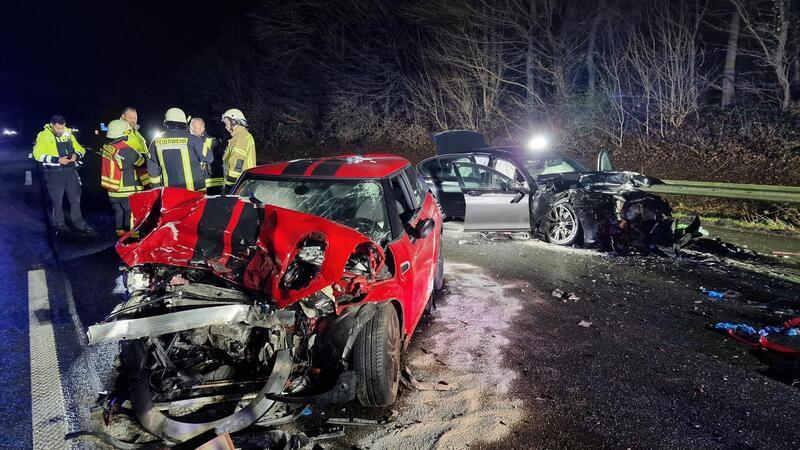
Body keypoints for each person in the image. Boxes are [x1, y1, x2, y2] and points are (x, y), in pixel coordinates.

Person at [32, 115, 94, 236]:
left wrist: (76, 155)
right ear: (52, 125)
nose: (61, 130)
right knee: (57, 201)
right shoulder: (43, 136)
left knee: (75, 199)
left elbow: (81, 149)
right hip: (54, 172)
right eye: (58, 128)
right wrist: (57, 159)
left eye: (63, 127)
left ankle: (79, 223)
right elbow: (37, 154)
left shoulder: (68, 134)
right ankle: (60, 225)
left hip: (70, 171)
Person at [147, 107, 212, 191]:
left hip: (171, 192)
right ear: (184, 123)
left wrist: (157, 187)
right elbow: (209, 158)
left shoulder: (155, 142)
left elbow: (152, 171)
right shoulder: (194, 139)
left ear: (167, 123)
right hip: (196, 191)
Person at [101, 119, 147, 236]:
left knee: (119, 212)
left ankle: (120, 236)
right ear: (123, 133)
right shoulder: (126, 149)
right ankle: (131, 239)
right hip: (127, 189)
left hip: (112, 190)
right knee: (131, 214)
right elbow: (141, 162)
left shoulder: (107, 147)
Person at [221, 108, 255, 189]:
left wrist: (230, 182)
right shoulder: (242, 135)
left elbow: (237, 161)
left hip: (239, 183)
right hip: (244, 181)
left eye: (226, 123)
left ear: (233, 121)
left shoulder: (240, 137)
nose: (226, 127)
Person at [189, 117, 224, 194]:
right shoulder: (192, 141)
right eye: (191, 126)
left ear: (202, 128)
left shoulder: (212, 141)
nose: (191, 129)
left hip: (212, 182)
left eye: (194, 126)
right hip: (200, 182)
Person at [120, 106, 150, 187]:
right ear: (123, 117)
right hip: (131, 175)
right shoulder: (121, 132)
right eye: (130, 118)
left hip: (142, 170)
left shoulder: (135, 131)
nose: (133, 121)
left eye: (135, 118)